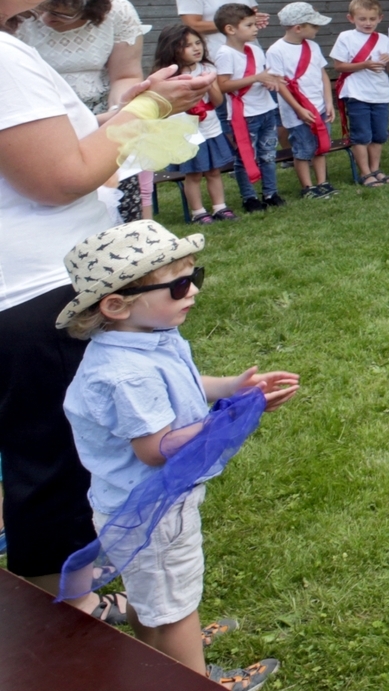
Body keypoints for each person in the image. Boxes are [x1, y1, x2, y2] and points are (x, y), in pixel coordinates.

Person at [0, 0, 209, 622]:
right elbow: (62, 174)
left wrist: (142, 99)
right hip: (35, 291)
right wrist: (149, 112)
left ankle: (79, 603)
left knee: (60, 461)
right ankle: (63, 633)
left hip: (39, 282)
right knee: (55, 470)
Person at [58, 220, 296, 685]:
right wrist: (232, 416)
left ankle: (154, 656)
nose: (193, 292)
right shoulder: (127, 373)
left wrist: (232, 387)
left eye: (195, 278)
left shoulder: (147, 338)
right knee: (176, 608)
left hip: (139, 503)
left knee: (154, 598)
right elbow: (156, 447)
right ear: (115, 305)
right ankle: (192, 676)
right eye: (180, 285)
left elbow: (184, 388)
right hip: (154, 508)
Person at [19, 0, 151, 219]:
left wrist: (116, 113)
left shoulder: (119, 11)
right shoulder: (22, 13)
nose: (46, 19)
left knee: (118, 204)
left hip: (104, 117)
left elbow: (125, 74)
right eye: (44, 8)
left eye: (60, 14)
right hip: (43, 122)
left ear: (92, 12)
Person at [212, 2, 301, 211]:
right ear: (230, 29)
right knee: (245, 156)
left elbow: (262, 74)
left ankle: (270, 192)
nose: (255, 29)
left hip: (266, 109)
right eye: (249, 25)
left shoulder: (254, 50)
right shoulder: (225, 54)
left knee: (268, 154)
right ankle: (249, 197)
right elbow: (223, 85)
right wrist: (257, 77)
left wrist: (270, 80)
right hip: (244, 114)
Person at [153, 25, 234, 222]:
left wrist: (208, 83)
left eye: (198, 43)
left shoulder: (207, 69)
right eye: (188, 45)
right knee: (195, 173)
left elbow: (217, 102)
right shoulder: (167, 74)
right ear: (172, 49)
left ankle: (220, 207)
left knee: (214, 170)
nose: (196, 48)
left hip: (210, 127)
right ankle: (198, 212)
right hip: (186, 130)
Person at [265, 2, 336, 199]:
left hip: (319, 106)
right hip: (298, 111)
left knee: (321, 146)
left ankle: (323, 182)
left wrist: (329, 102)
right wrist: (298, 109)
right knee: (303, 149)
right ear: (298, 28)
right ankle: (308, 187)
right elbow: (280, 85)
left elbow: (322, 74)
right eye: (313, 26)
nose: (317, 29)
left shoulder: (313, 46)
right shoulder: (276, 51)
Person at [329, 0, 389, 184]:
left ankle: (376, 169)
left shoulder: (383, 39)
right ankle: (365, 172)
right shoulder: (346, 37)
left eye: (372, 19)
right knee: (361, 135)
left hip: (380, 93)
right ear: (351, 18)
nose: (368, 23)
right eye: (362, 19)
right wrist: (364, 65)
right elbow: (339, 66)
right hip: (357, 93)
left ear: (380, 18)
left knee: (379, 134)